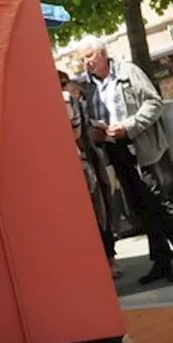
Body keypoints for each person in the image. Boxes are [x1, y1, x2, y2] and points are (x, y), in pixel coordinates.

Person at [77, 39, 173, 284]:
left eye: (90, 55)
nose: (86, 62)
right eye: (82, 58)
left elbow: (154, 102)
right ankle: (161, 260)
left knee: (158, 202)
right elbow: (93, 118)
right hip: (116, 151)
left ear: (103, 53)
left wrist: (128, 126)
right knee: (139, 207)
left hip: (141, 147)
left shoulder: (128, 72)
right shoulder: (90, 88)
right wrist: (97, 132)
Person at [59, 70, 123, 280]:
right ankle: (107, 258)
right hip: (85, 160)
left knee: (98, 208)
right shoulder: (68, 100)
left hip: (85, 160)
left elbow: (79, 131)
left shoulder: (68, 101)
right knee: (99, 208)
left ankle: (107, 258)